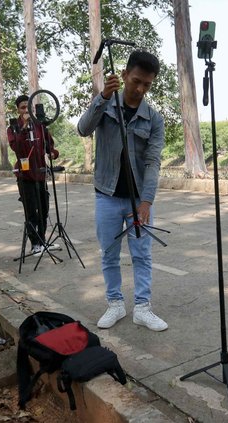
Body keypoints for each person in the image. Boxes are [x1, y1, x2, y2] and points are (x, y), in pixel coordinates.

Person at [77, 50, 167, 331]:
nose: (140, 89)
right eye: (136, 81)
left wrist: (147, 201)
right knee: (109, 253)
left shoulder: (154, 119)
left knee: (142, 254)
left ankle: (142, 307)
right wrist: (102, 97)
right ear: (125, 75)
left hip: (137, 199)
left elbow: (152, 162)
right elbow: (82, 129)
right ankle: (115, 303)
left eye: (147, 84)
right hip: (106, 196)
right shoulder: (105, 106)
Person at [7, 95, 60, 256]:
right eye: (22, 108)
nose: (26, 111)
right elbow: (16, 147)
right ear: (18, 109)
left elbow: (49, 145)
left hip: (40, 175)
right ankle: (34, 244)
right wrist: (23, 130)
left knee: (43, 209)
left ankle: (43, 241)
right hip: (25, 177)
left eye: (28, 107)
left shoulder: (40, 126)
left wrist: (52, 153)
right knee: (31, 212)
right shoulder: (13, 128)